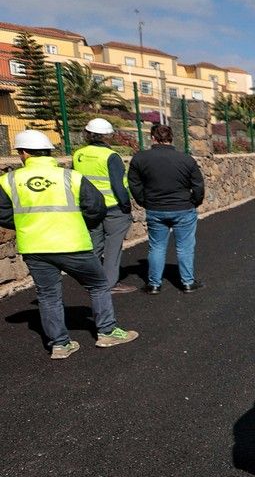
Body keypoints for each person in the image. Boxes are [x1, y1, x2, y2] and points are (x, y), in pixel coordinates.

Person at [0, 129, 139, 358]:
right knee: (98, 285)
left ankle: (60, 345)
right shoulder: (70, 177)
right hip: (73, 243)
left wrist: (28, 223)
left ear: (23, 153)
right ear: (48, 153)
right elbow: (96, 207)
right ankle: (107, 331)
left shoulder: (8, 181)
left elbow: (3, 214)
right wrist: (78, 222)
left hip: (35, 246)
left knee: (47, 295)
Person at [129, 123, 205, 294]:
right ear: (171, 138)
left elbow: (134, 184)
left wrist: (144, 201)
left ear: (152, 138)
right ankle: (187, 282)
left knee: (156, 246)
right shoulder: (186, 159)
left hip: (155, 208)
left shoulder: (140, 159)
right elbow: (198, 185)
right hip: (183, 208)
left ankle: (154, 284)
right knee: (185, 247)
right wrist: (195, 201)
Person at [73, 117, 134, 293]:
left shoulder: (79, 154)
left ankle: (92, 280)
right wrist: (126, 205)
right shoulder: (111, 156)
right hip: (112, 207)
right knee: (113, 246)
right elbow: (118, 185)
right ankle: (109, 284)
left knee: (94, 245)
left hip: (89, 207)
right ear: (108, 136)